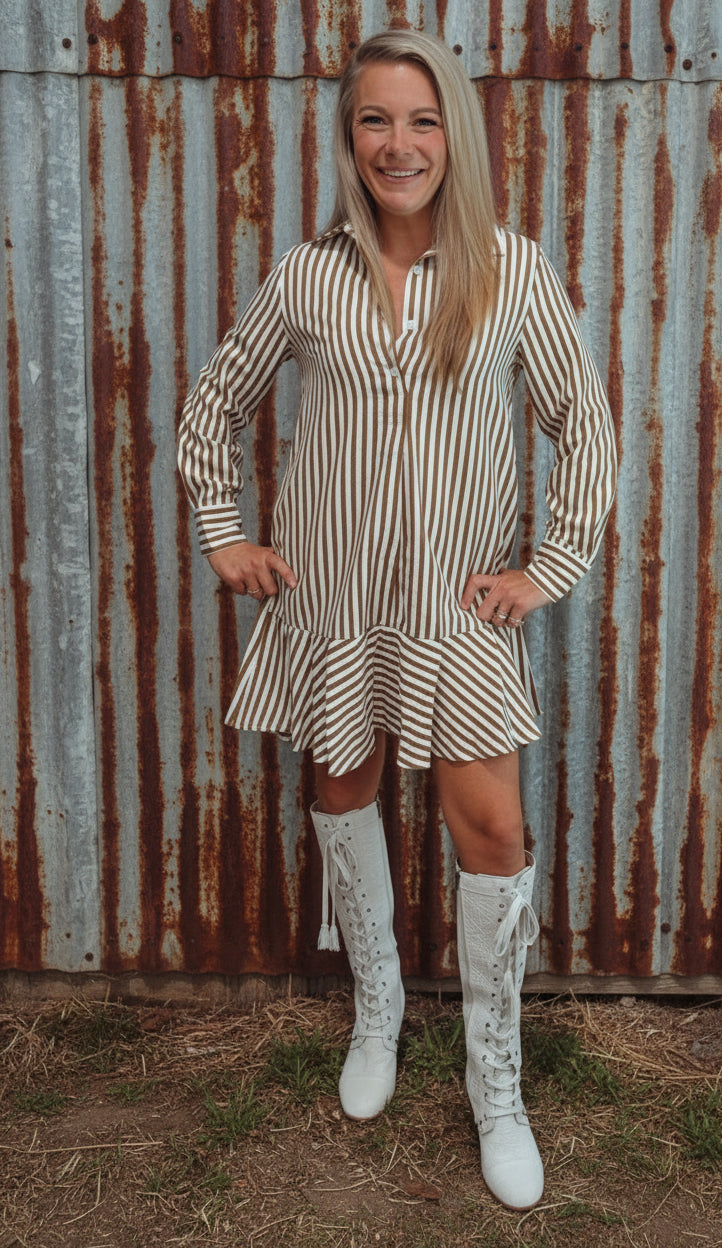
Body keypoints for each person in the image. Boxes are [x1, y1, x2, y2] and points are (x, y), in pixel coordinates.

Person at [178, 29, 616, 1211]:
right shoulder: (308, 274)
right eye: (375, 120)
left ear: (453, 136)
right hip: (331, 604)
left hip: (455, 612)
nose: (398, 143)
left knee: (488, 835)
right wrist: (226, 534)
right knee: (343, 788)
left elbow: (587, 422)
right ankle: (377, 1012)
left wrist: (549, 563)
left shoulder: (510, 267)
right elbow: (215, 403)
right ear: (346, 138)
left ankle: (495, 1081)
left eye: (421, 120)